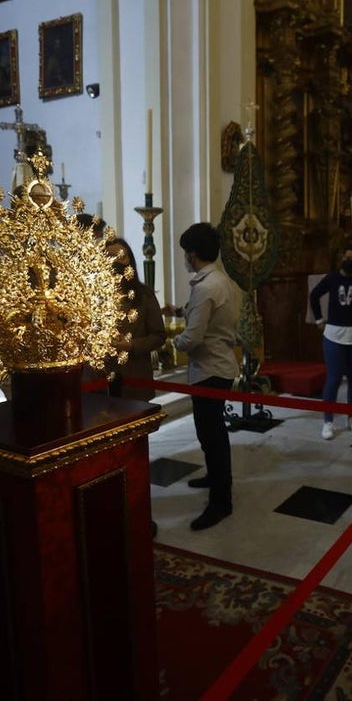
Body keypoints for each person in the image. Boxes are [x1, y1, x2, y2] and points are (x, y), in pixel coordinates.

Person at [174, 223, 241, 531]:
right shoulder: (223, 281)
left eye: (186, 253)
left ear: (192, 254)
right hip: (220, 366)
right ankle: (215, 479)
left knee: (212, 437)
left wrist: (172, 339)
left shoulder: (205, 287)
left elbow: (193, 339)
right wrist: (180, 313)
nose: (185, 259)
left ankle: (221, 502)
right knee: (211, 434)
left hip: (209, 371)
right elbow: (207, 319)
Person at [309, 243, 352, 439]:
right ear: (342, 258)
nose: (349, 262)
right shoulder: (332, 278)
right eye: (347, 258)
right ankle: (328, 420)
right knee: (334, 377)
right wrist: (320, 319)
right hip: (334, 335)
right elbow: (314, 296)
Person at [104, 238, 166, 401]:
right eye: (111, 257)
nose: (116, 262)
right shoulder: (96, 296)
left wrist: (131, 345)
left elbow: (159, 336)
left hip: (133, 375)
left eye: (121, 257)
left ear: (129, 260)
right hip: (102, 378)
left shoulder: (144, 295)